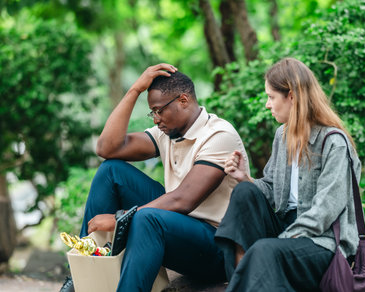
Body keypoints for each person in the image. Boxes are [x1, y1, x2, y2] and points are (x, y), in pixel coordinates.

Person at [59, 63, 250, 292]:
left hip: (216, 247)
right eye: (153, 112)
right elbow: (107, 148)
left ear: (183, 100)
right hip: (177, 226)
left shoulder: (219, 135)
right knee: (111, 171)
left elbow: (183, 199)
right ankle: (81, 278)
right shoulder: (166, 133)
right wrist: (134, 91)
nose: (155, 119)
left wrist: (120, 219)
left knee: (147, 218)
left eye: (159, 110)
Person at [214, 58, 361, 291]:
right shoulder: (282, 135)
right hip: (286, 229)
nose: (267, 105)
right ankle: (238, 283)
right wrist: (245, 177)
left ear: (291, 96)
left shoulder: (334, 143)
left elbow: (324, 212)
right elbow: (272, 189)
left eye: (271, 97)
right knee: (243, 192)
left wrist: (281, 239)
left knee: (264, 250)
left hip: (322, 241)